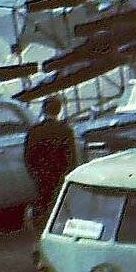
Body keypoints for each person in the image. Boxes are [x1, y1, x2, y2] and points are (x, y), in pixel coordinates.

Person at [23, 95, 79, 225]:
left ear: (43, 110)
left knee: (44, 204)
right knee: (61, 205)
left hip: (42, 176)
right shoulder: (66, 130)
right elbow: (71, 158)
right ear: (59, 110)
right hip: (60, 176)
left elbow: (28, 157)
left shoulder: (34, 131)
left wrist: (36, 174)